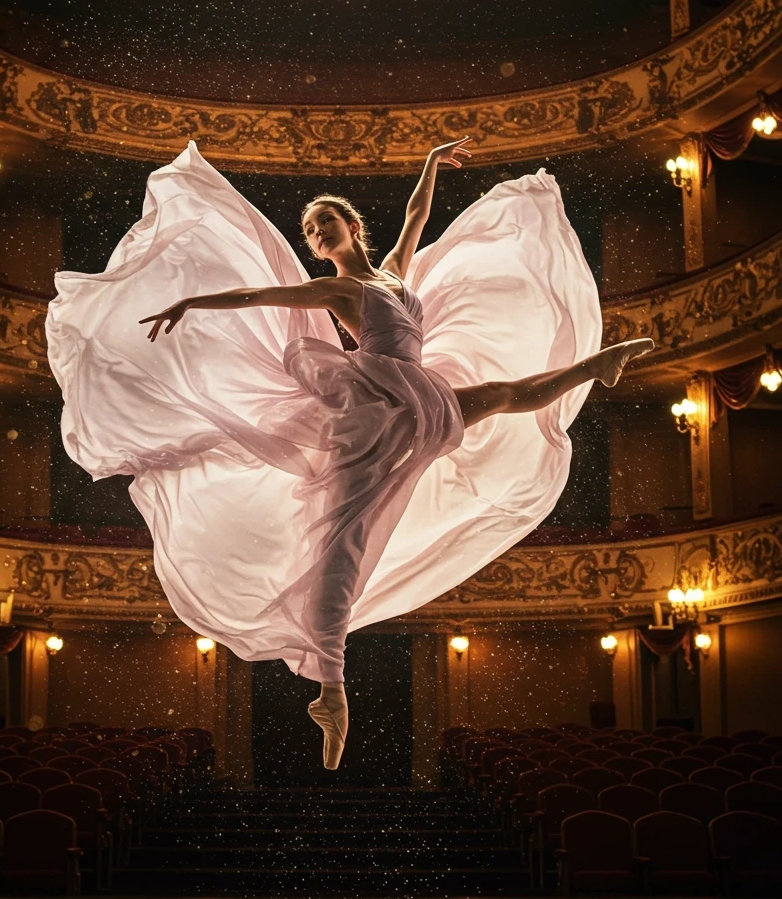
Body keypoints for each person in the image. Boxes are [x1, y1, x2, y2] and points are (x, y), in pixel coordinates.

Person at [46, 138, 652, 770]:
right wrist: (192, 301)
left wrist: (432, 161)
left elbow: (417, 215)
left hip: (415, 393)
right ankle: (332, 689)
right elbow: (257, 298)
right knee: (344, 534)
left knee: (500, 392)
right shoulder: (335, 291)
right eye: (309, 229)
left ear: (351, 225)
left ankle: (595, 366)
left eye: (325, 222)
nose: (316, 233)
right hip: (368, 407)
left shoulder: (392, 271)